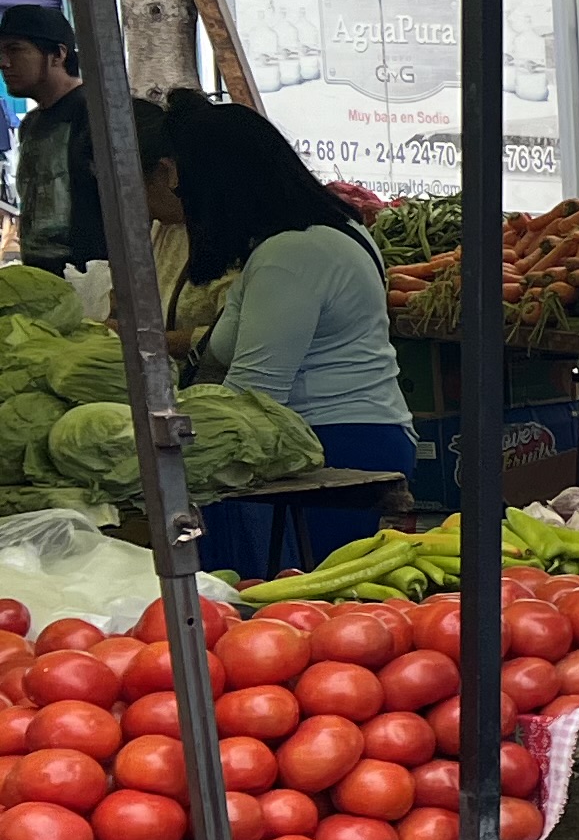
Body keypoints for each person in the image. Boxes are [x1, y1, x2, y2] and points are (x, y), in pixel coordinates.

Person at [154, 94, 413, 576]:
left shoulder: (290, 257)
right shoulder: (331, 233)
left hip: (332, 453)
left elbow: (256, 398)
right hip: (341, 441)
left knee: (299, 604)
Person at [1, 3, 98, 273]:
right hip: (40, 274)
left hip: (90, 279)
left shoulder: (96, 114)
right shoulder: (31, 123)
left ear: (58, 54)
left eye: (15, 49)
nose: (4, 62)